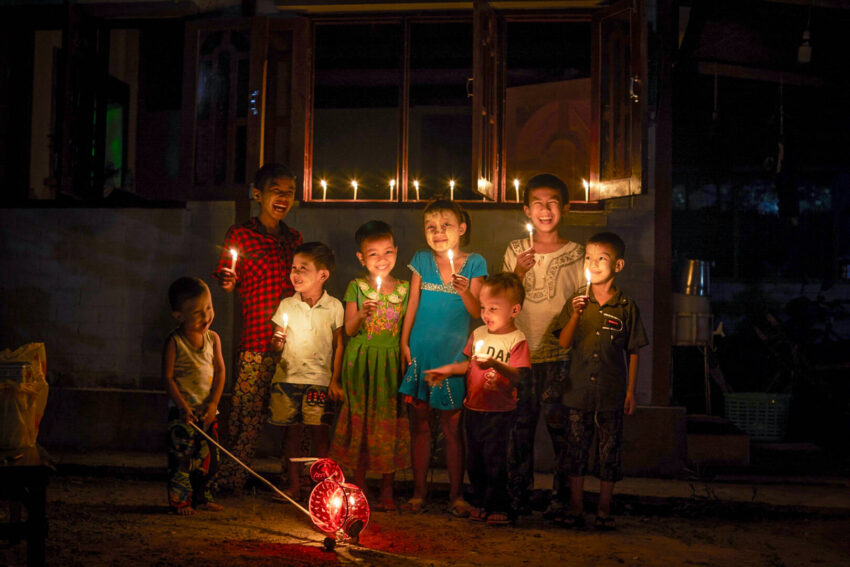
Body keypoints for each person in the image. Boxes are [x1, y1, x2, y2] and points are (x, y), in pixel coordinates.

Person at [212, 163, 302, 492]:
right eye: (276, 190)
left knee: (294, 414)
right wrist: (228, 280)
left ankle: (293, 480)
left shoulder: (294, 239)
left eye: (289, 192)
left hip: (294, 343)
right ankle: (232, 478)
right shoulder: (240, 235)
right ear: (258, 194)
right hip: (256, 340)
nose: (283, 197)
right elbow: (228, 277)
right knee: (246, 413)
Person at [502, 173, 585, 517]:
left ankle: (561, 499)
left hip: (559, 355)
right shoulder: (515, 251)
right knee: (520, 428)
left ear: (565, 208)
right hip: (521, 354)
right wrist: (518, 274)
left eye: (552, 202)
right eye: (537, 203)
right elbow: (503, 297)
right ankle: (517, 496)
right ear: (526, 209)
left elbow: (582, 302)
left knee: (560, 429)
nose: (545, 209)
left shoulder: (577, 254)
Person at [399, 199, 487, 516]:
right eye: (431, 227)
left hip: (452, 357)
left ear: (461, 229)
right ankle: (419, 493)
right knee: (420, 426)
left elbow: (477, 312)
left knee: (452, 429)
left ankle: (455, 496)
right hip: (421, 353)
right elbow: (412, 304)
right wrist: (404, 342)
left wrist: (463, 290)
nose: (438, 232)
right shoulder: (421, 261)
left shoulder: (475, 263)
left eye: (446, 225)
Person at [555, 232, 648, 530]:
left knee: (609, 453)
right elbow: (564, 343)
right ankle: (576, 507)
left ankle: (605, 509)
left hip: (611, 393)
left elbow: (633, 351)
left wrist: (631, 391)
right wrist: (575, 315)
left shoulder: (626, 307)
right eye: (589, 258)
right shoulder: (576, 302)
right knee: (576, 452)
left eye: (602, 259)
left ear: (618, 265)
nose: (593, 264)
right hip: (577, 392)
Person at [425, 273, 531, 526]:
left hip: (501, 412)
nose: (486, 314)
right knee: (476, 460)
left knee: (497, 461)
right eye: (483, 308)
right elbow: (468, 365)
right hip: (474, 408)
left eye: (493, 308)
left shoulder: (517, 340)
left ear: (514, 310)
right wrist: (447, 370)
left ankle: (500, 507)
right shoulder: (479, 333)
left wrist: (495, 363)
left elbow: (519, 375)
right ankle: (481, 503)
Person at [329, 220, 410, 510]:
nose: (382, 259)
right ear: (361, 258)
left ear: (396, 252)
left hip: (389, 364)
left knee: (388, 424)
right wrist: (362, 314)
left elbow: (406, 329)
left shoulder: (404, 289)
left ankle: (388, 489)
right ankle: (358, 486)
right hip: (361, 364)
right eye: (373, 254)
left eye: (388, 252)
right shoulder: (357, 287)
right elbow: (348, 330)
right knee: (361, 422)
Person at [268, 242, 344, 500]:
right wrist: (277, 343)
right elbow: (276, 343)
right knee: (291, 433)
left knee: (319, 432)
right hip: (288, 379)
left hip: (319, 381)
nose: (295, 274)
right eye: (293, 268)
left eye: (303, 269)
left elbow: (339, 345)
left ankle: (323, 486)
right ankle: (293, 484)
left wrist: (335, 379)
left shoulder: (334, 307)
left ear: (322, 275)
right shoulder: (287, 305)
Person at [163, 277, 226, 515]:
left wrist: (214, 404)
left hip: (208, 412)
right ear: (179, 316)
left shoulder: (213, 339)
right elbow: (167, 377)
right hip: (183, 415)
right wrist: (181, 407)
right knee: (182, 459)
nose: (207, 316)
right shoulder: (175, 341)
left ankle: (203, 497)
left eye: (209, 308)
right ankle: (180, 501)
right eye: (198, 313)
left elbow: (220, 372)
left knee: (210, 459)